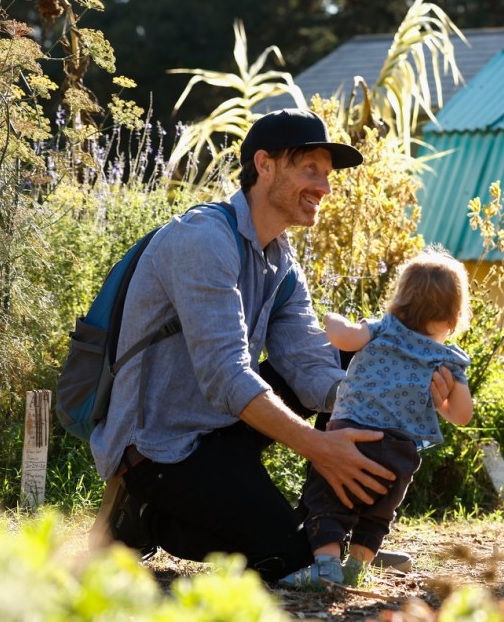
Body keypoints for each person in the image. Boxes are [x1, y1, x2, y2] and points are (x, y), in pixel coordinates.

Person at [88, 108, 454, 581]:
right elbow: (226, 376)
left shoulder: (280, 258)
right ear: (264, 165)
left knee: (357, 359)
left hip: (224, 429)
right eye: (310, 170)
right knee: (290, 560)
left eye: (326, 174)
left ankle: (340, 529)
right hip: (163, 446)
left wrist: (396, 396)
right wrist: (321, 448)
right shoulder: (202, 240)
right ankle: (141, 514)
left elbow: (309, 365)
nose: (324, 187)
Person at [280, 247, 473, 587]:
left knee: (327, 498)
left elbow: (344, 338)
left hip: (353, 432)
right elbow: (461, 415)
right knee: (379, 512)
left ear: (400, 299)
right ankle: (357, 569)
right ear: (455, 319)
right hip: (400, 449)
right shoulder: (448, 359)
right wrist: (442, 400)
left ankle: (325, 568)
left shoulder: (384, 328)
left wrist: (333, 320)